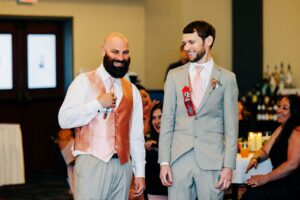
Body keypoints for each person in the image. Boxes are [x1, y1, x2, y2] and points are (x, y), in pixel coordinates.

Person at [58, 32, 146, 200]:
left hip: (123, 166)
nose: (121, 57)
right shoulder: (83, 82)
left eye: (125, 52)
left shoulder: (132, 90)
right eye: (115, 52)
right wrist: (97, 104)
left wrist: (140, 172)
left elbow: (136, 136)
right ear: (103, 51)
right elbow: (64, 119)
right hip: (92, 163)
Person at [159, 20, 239, 200]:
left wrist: (228, 166)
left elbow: (231, 128)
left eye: (192, 42)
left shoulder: (226, 78)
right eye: (184, 43)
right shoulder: (174, 76)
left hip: (212, 160)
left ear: (208, 41)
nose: (187, 47)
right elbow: (167, 121)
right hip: (179, 159)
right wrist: (164, 161)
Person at [242, 95, 300, 200]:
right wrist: (256, 158)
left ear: (294, 112)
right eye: (279, 106)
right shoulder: (281, 128)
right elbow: (264, 150)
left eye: (284, 108)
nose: (278, 110)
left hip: (292, 184)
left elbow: (292, 164)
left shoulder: (296, 131)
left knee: (250, 196)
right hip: (280, 180)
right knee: (250, 189)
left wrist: (266, 178)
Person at [145, 103, 168, 200]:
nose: (156, 121)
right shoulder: (149, 142)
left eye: (160, 117)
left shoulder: (178, 139)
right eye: (154, 118)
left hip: (176, 189)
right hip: (155, 191)